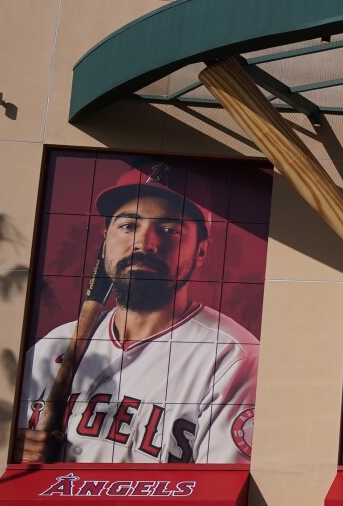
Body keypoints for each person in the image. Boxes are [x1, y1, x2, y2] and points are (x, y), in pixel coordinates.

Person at [19, 164, 260, 464]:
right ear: (105, 239)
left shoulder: (233, 358)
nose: (145, 244)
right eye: (129, 226)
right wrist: (9, 453)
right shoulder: (52, 345)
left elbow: (222, 497)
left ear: (201, 251)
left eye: (170, 230)